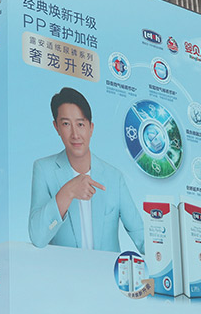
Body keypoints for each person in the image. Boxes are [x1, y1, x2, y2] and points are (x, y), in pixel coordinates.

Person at [28, 87, 144, 253]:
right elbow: (38, 238)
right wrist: (67, 192)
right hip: (64, 269)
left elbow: (140, 235)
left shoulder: (114, 177)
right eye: (66, 124)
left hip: (106, 269)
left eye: (80, 124)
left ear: (91, 128)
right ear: (56, 127)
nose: (75, 134)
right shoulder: (44, 170)